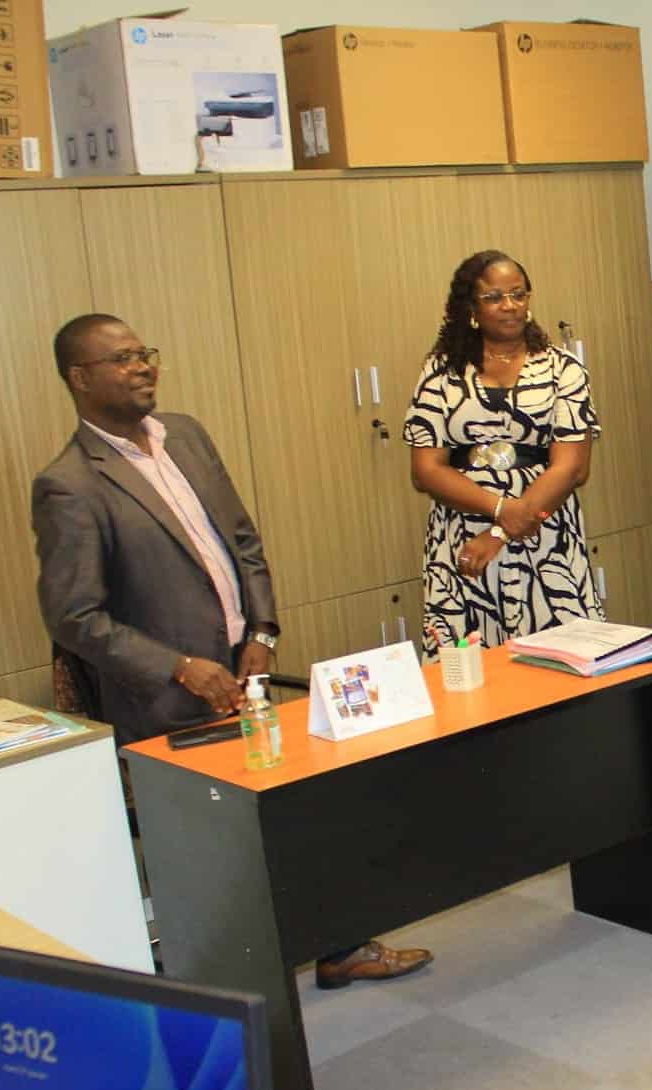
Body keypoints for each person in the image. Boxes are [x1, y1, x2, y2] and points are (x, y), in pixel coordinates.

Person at [34, 313, 430, 992]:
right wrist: (179, 667)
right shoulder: (70, 483)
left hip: (246, 678)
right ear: (80, 378)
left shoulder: (184, 435)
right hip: (168, 705)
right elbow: (74, 617)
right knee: (210, 857)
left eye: (145, 352)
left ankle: (339, 946)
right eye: (122, 358)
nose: (143, 366)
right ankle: (227, 998)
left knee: (296, 817)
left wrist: (263, 633)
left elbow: (242, 541)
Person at [404, 250, 602, 654]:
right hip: (462, 536)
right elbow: (426, 470)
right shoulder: (440, 372)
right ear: (471, 308)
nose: (509, 305)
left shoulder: (563, 369)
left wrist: (500, 530)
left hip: (545, 532)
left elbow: (571, 469)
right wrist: (499, 509)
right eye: (494, 297)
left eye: (518, 294)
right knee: (467, 668)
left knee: (561, 662)